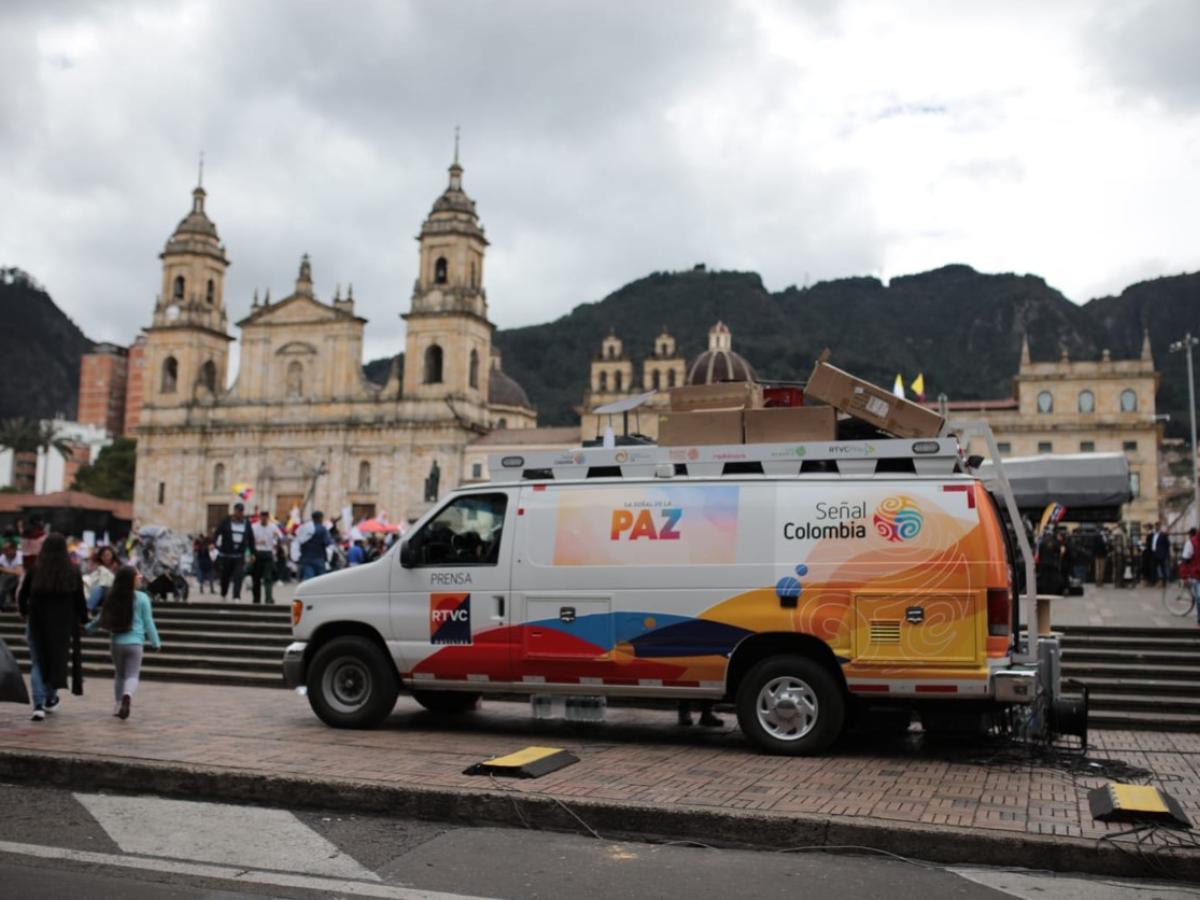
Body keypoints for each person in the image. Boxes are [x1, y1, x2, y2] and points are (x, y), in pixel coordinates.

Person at [17, 533, 86, 721]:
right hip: (62, 625)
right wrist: (83, 620)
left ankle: (38, 704)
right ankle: (50, 697)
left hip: (37, 621)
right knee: (56, 660)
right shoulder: (72, 571)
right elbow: (79, 600)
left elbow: (23, 595)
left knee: (38, 661)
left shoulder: (35, 570)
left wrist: (24, 612)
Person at [86, 566, 161, 719]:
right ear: (130, 580)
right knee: (132, 675)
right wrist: (155, 642)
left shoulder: (113, 597)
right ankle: (128, 694)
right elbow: (148, 622)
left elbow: (100, 620)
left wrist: (87, 629)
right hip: (135, 643)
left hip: (117, 642)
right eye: (137, 575)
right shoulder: (142, 598)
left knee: (120, 675)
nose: (140, 577)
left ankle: (118, 705)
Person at [212, 503, 251, 601]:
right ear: (234, 511)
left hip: (239, 555)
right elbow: (217, 532)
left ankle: (236, 596)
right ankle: (223, 593)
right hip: (226, 555)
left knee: (238, 575)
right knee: (225, 576)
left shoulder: (246, 523)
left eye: (241, 511)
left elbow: (251, 538)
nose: (239, 513)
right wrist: (212, 543)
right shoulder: (226, 521)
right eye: (238, 511)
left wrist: (253, 552)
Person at [250, 511, 282, 605]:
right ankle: (256, 598)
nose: (264, 519)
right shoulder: (254, 527)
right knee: (256, 577)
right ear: (260, 517)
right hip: (257, 553)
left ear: (268, 518)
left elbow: (279, 538)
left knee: (268, 577)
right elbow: (250, 540)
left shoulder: (273, 527)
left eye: (266, 517)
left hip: (268, 553)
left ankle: (268, 598)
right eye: (262, 517)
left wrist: (276, 544)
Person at [296, 511, 333, 582]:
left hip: (306, 558)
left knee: (308, 580)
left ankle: (307, 593)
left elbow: (299, 541)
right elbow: (327, 542)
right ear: (320, 518)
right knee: (321, 581)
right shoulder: (323, 529)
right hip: (319, 558)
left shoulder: (304, 528)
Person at [83, 545, 120, 612]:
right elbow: (93, 579)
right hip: (96, 592)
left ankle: (88, 609)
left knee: (101, 587)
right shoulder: (98, 568)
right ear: (100, 557)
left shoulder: (118, 568)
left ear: (112, 555)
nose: (106, 558)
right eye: (103, 556)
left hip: (112, 593)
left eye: (108, 555)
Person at [0, 539, 22, 612]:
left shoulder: (20, 555)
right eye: (3, 550)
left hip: (21, 580)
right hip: (8, 580)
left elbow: (19, 572)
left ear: (14, 549)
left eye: (7, 550)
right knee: (4, 578)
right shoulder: (3, 557)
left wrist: (3, 569)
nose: (4, 552)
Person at [1151, 522, 1172, 587]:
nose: (1156, 527)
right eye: (1156, 526)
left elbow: (1168, 544)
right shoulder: (1154, 535)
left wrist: (1164, 552)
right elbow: (1153, 544)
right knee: (1154, 568)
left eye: (1158, 526)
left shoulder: (1163, 535)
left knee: (1163, 569)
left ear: (1159, 527)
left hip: (1161, 554)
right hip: (1154, 554)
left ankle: (1164, 583)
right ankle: (1156, 581)